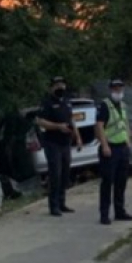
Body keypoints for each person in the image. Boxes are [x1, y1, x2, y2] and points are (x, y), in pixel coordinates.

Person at [36, 76, 82, 217]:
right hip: (52, 143)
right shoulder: (47, 102)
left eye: (62, 84)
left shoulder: (67, 101)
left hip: (66, 143)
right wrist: (57, 127)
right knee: (55, 174)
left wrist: (78, 136)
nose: (60, 87)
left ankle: (62, 203)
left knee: (65, 173)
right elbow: (40, 121)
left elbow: (71, 119)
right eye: (57, 85)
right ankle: (53, 206)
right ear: (52, 87)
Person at [95, 79, 132, 224]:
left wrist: (128, 141)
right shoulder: (105, 105)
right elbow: (99, 126)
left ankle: (120, 211)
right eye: (115, 89)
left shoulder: (123, 105)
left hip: (122, 147)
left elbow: (125, 124)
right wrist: (104, 145)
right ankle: (104, 214)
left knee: (121, 182)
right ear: (111, 89)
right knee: (107, 182)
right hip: (110, 148)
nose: (118, 91)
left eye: (120, 88)